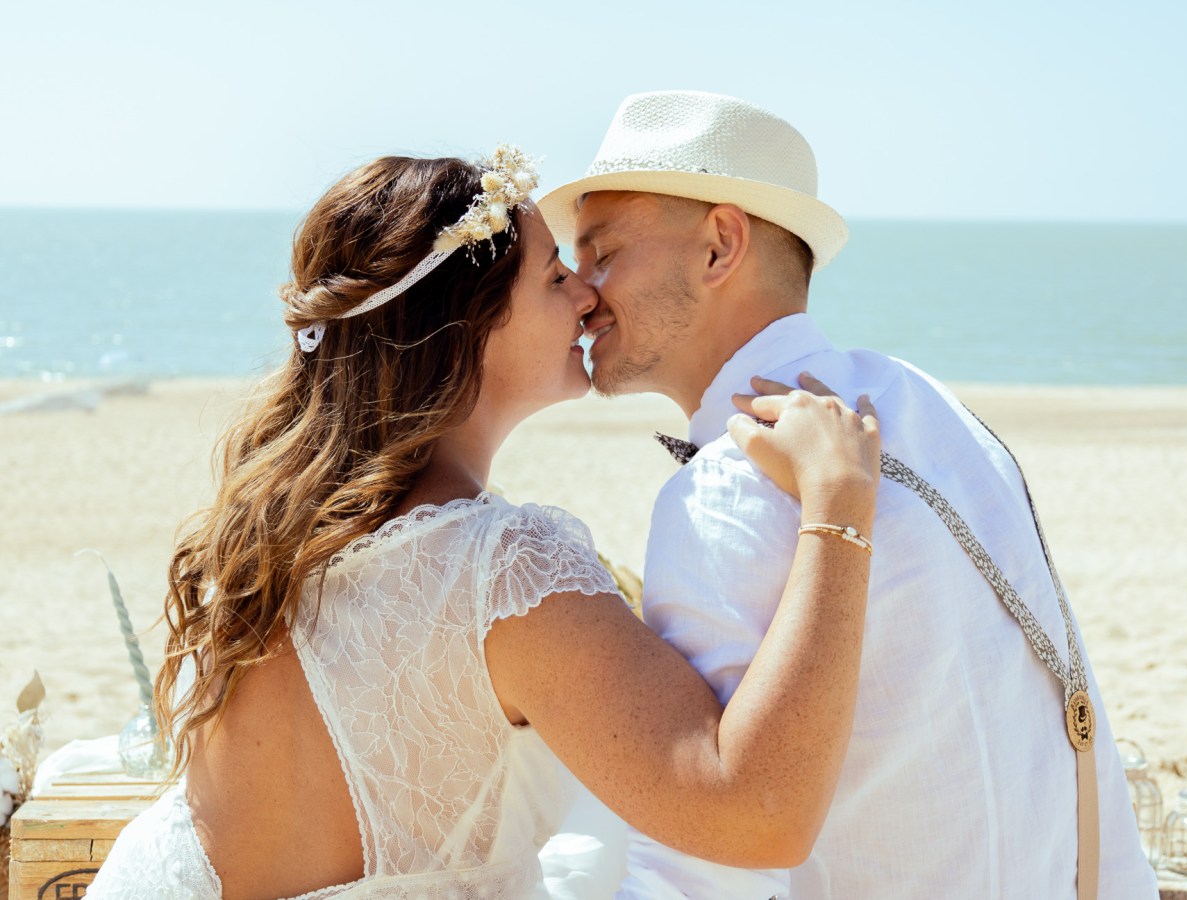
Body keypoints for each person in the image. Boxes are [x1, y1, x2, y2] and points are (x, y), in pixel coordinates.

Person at [86, 146, 882, 899]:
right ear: (469, 325)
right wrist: (837, 509)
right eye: (551, 276)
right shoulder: (502, 570)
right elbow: (756, 817)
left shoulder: (273, 530)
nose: (586, 294)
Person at [538, 90, 1159, 899]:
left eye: (604, 252)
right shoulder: (932, 404)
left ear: (721, 246)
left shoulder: (727, 486)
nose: (582, 292)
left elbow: (704, 868)